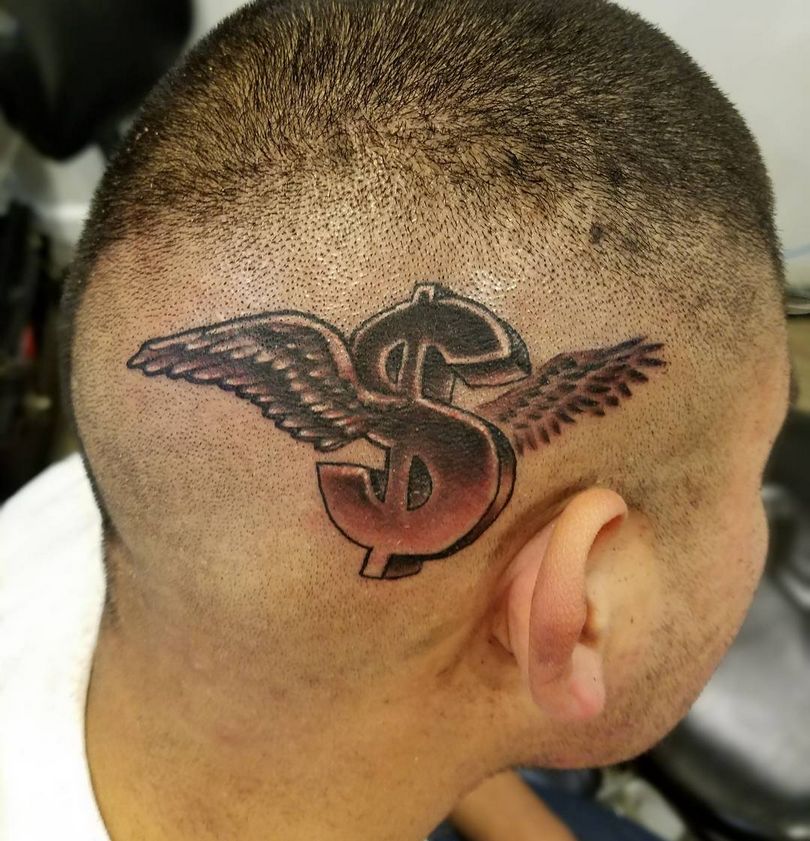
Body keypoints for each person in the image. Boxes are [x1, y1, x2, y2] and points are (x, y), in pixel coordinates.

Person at [0, 0, 797, 839]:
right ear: (578, 612)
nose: (763, 513)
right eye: (754, 467)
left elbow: (391, 669)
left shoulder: (128, 503)